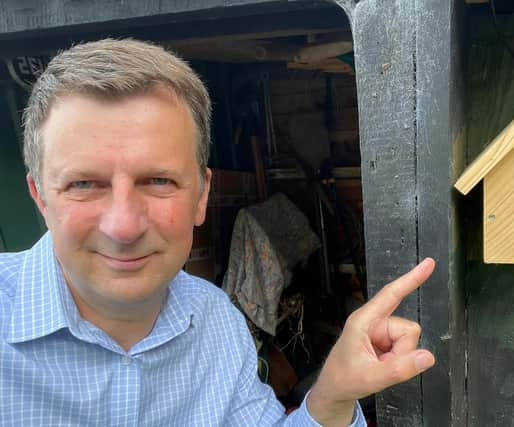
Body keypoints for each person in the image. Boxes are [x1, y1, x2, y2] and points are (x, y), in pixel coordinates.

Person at [0, 38, 436, 426]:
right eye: (83, 184)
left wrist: (333, 395)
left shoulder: (215, 320)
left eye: (158, 181)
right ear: (39, 196)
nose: (124, 227)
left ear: (202, 195)